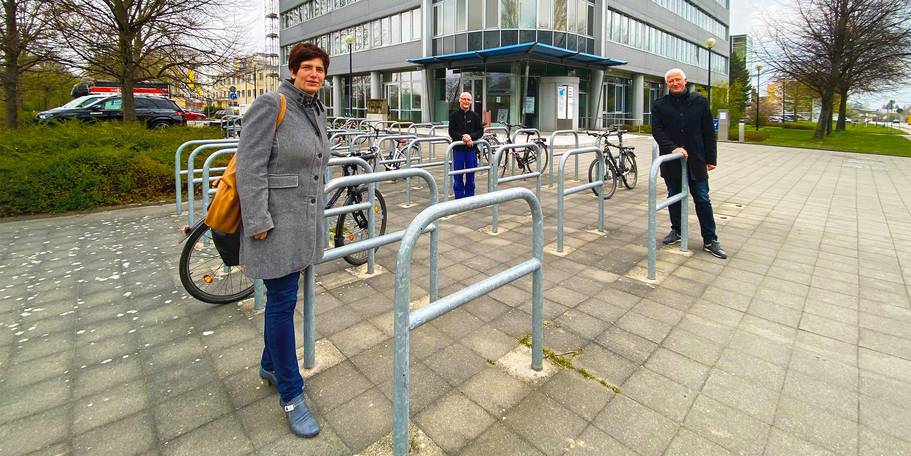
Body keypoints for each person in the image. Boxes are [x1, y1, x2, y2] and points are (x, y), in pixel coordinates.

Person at [235, 42, 330, 438]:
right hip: (275, 225)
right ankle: (291, 395)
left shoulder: (316, 109)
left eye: (320, 69)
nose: (313, 74)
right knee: (282, 303)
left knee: (285, 300)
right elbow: (249, 165)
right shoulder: (271, 104)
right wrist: (257, 218)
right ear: (292, 70)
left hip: (304, 222)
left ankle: (270, 367)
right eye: (306, 67)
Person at [651, 68, 727, 259]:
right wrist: (673, 148)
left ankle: (710, 239)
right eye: (670, 81)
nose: (674, 83)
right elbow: (657, 131)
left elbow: (708, 132)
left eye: (677, 80)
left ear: (685, 80)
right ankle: (677, 231)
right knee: (673, 197)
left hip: (696, 160)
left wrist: (711, 159)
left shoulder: (699, 102)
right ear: (667, 84)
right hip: (672, 161)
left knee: (702, 198)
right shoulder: (660, 105)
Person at [448, 92, 484, 198]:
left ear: (471, 102)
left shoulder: (475, 116)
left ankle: (469, 197)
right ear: (459, 100)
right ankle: (459, 197)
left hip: (471, 150)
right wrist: (463, 137)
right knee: (458, 175)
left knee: (470, 175)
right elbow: (451, 132)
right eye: (464, 99)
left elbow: (480, 131)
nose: (466, 101)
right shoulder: (454, 115)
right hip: (458, 150)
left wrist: (470, 136)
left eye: (468, 100)